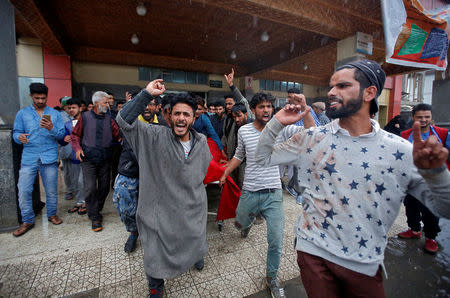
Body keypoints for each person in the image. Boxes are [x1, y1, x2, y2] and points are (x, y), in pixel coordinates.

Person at [255, 59, 450, 297]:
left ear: (370, 92)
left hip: (363, 264)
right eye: (331, 86)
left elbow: (445, 208)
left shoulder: (400, 150)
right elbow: (263, 159)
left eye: (342, 86)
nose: (331, 93)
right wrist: (276, 122)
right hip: (312, 253)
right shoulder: (311, 138)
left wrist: (436, 173)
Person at [117, 80, 211, 297]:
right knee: (154, 252)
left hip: (191, 209)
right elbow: (123, 120)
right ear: (169, 116)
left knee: (195, 238)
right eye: (177, 113)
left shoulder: (202, 141)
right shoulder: (153, 136)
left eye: (186, 114)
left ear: (194, 118)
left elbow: (201, 171)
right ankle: (155, 286)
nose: (181, 118)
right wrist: (146, 94)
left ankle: (195, 255)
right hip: (158, 212)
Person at [220, 92, 313, 298]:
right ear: (253, 110)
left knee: (276, 239)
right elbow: (239, 155)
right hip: (250, 190)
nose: (266, 110)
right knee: (241, 221)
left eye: (269, 107)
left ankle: (271, 277)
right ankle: (248, 223)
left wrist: (305, 109)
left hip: (273, 193)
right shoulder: (244, 130)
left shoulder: (283, 128)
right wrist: (227, 170)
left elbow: (311, 132)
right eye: (261, 107)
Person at [12, 83, 65, 236]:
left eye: (43, 98)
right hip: (29, 157)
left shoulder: (54, 114)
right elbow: (16, 133)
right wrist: (19, 137)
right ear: (31, 97)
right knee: (24, 190)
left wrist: (51, 128)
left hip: (49, 157)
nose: (41, 101)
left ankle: (52, 214)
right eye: (37, 98)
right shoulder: (22, 114)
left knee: (51, 191)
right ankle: (27, 220)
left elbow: (61, 135)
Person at [397, 103, 449, 254]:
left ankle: (431, 238)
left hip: (432, 182)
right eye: (420, 117)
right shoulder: (405, 135)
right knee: (410, 206)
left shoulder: (443, 134)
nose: (424, 120)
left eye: (427, 117)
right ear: (413, 118)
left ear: (432, 117)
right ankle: (414, 230)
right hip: (411, 181)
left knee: (431, 212)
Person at [71, 91, 120, 232]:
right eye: (105, 102)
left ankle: (95, 209)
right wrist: (77, 148)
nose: (108, 104)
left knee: (104, 188)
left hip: (105, 159)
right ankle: (94, 217)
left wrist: (123, 138)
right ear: (97, 103)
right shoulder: (85, 117)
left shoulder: (109, 118)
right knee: (91, 188)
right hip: (88, 160)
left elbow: (117, 134)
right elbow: (75, 135)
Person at [59, 98, 86, 215]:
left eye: (74, 107)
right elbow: (63, 140)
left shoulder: (87, 121)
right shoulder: (67, 124)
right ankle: (80, 202)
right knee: (76, 181)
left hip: (86, 157)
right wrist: (64, 139)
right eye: (69, 108)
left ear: (80, 108)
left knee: (83, 181)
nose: (71, 110)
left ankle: (86, 202)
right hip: (74, 157)